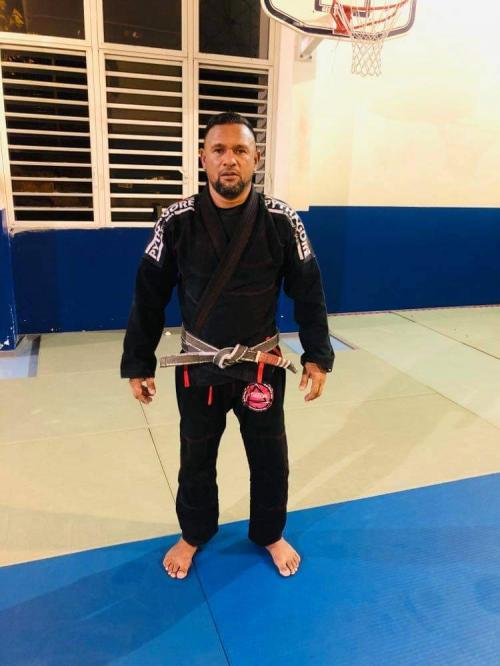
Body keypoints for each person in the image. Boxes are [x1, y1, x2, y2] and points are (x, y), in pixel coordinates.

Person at [121, 112, 334, 579]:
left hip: (261, 363)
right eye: (219, 150)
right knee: (196, 456)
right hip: (198, 364)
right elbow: (148, 296)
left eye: (240, 150)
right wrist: (138, 362)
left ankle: (270, 533)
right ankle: (194, 533)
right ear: (203, 158)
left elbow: (309, 290)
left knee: (270, 458)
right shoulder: (176, 220)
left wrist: (317, 355)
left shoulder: (282, 219)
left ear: (257, 158)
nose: (229, 160)